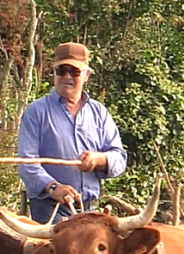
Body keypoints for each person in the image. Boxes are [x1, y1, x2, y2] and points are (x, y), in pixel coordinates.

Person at [17, 42, 128, 224]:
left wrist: (99, 159)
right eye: (61, 71)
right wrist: (53, 188)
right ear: (54, 73)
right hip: (50, 210)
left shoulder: (99, 113)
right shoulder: (36, 112)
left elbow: (119, 158)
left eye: (74, 72)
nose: (67, 76)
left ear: (86, 75)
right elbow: (27, 163)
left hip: (90, 210)